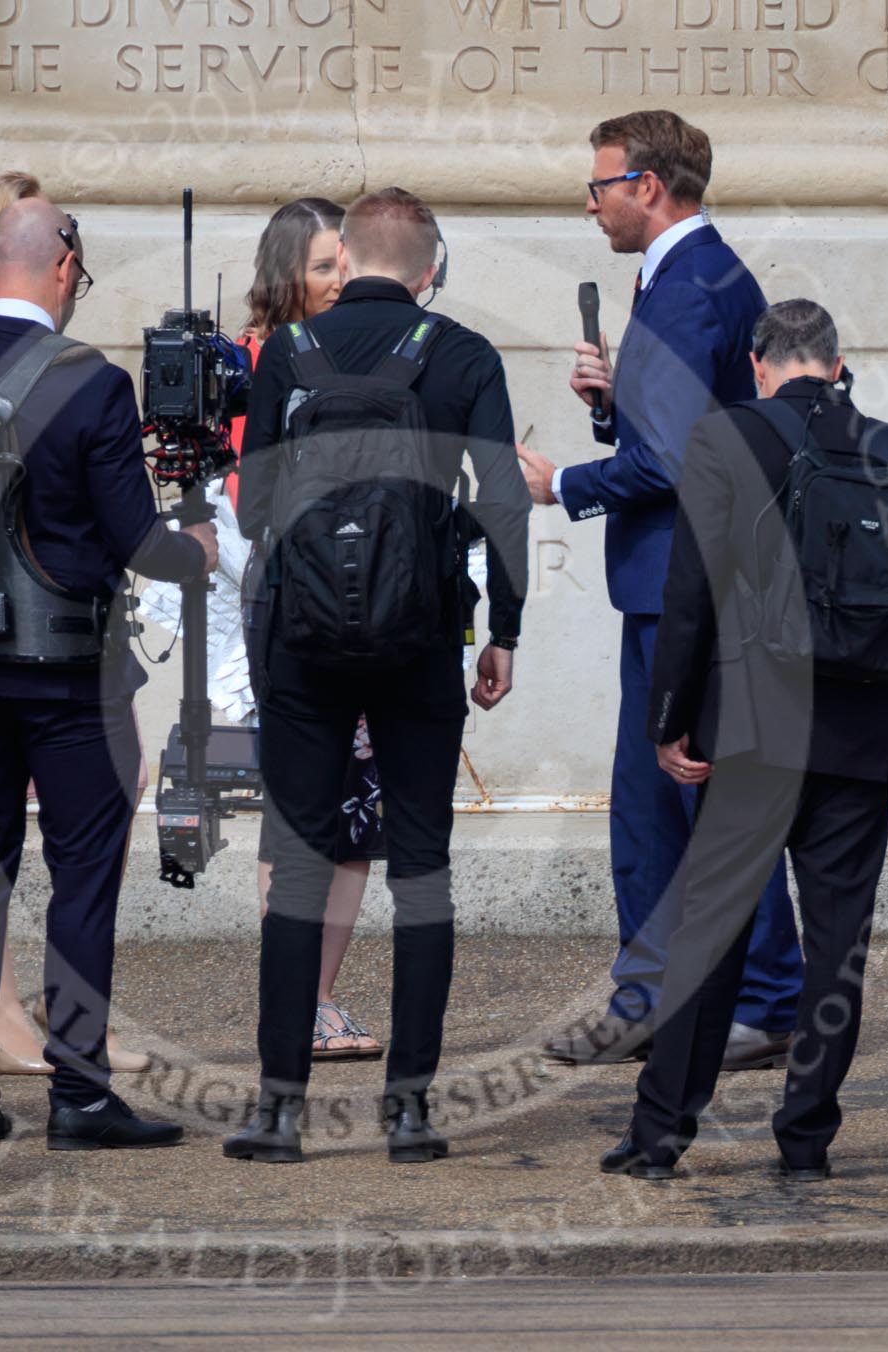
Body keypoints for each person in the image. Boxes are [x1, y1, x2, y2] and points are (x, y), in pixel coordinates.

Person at [0, 197, 217, 1150]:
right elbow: (139, 545)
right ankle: (78, 1090)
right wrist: (197, 543)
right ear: (64, 268)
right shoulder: (93, 382)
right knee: (82, 879)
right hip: (72, 672)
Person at [603, 299, 888, 1183]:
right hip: (862, 730)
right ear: (838, 364)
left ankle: (660, 1135)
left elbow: (690, 594)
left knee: (708, 937)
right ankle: (806, 1141)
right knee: (839, 944)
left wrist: (668, 720)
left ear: (761, 367)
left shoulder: (729, 437)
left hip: (752, 729)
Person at [226, 188, 529, 1164]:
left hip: (305, 645)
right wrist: (502, 634)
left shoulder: (289, 354)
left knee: (302, 860)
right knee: (424, 865)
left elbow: (254, 503)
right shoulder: (466, 356)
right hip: (421, 641)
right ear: (430, 269)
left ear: (345, 260)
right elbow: (504, 503)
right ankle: (409, 1111)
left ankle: (278, 1110)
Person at [516, 110, 804, 1071]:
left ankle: (751, 998)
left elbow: (682, 458)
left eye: (598, 185)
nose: (590, 204)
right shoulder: (696, 273)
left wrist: (564, 484)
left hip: (690, 582)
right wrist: (614, 408)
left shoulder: (686, 285)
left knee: (688, 797)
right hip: (684, 577)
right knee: (657, 802)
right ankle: (670, 997)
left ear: (648, 184)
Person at [235, 197, 384, 1061]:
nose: (336, 282)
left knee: (360, 808)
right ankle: (294, 996)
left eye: (345, 265)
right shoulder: (260, 361)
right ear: (287, 273)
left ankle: (323, 995)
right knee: (297, 806)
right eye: (322, 266)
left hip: (370, 597)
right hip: (289, 596)